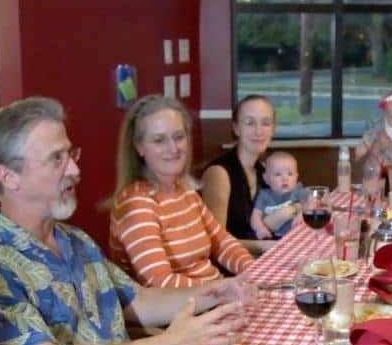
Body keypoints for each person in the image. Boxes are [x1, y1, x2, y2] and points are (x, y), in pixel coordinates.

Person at [0, 97, 247, 345]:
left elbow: (139, 301)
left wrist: (215, 292)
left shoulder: (75, 240)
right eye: (57, 159)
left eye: (71, 155)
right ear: (8, 176)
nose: (75, 170)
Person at [110, 95, 254, 287]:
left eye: (179, 137)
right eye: (159, 140)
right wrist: (223, 289)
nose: (173, 148)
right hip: (180, 312)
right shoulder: (136, 204)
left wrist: (252, 272)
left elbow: (222, 243)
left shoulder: (185, 191)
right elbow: (161, 283)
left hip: (215, 298)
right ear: (139, 147)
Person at [201, 95, 276, 245]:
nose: (258, 131)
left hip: (260, 258)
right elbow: (216, 241)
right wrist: (266, 247)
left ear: (273, 129)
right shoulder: (219, 173)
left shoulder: (263, 171)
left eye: (266, 123)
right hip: (232, 265)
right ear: (236, 128)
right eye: (250, 123)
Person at [250, 151, 307, 239]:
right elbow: (255, 216)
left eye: (290, 174)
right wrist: (260, 229)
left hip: (298, 236)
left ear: (296, 177)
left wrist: (301, 215)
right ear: (266, 179)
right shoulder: (264, 196)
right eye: (278, 174)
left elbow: (313, 204)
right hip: (274, 238)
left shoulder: (298, 191)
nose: (285, 178)